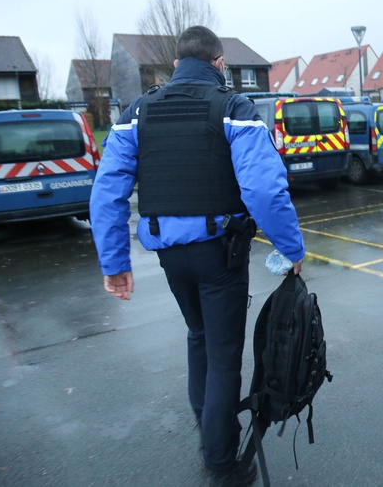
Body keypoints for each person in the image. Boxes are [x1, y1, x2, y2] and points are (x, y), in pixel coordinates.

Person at [90, 26, 305, 486]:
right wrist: (291, 249)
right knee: (224, 353)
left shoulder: (137, 112)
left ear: (175, 65)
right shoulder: (234, 108)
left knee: (198, 334)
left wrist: (115, 264)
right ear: (219, 63)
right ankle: (221, 460)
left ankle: (207, 423)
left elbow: (107, 192)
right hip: (220, 255)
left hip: (170, 256)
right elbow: (264, 190)